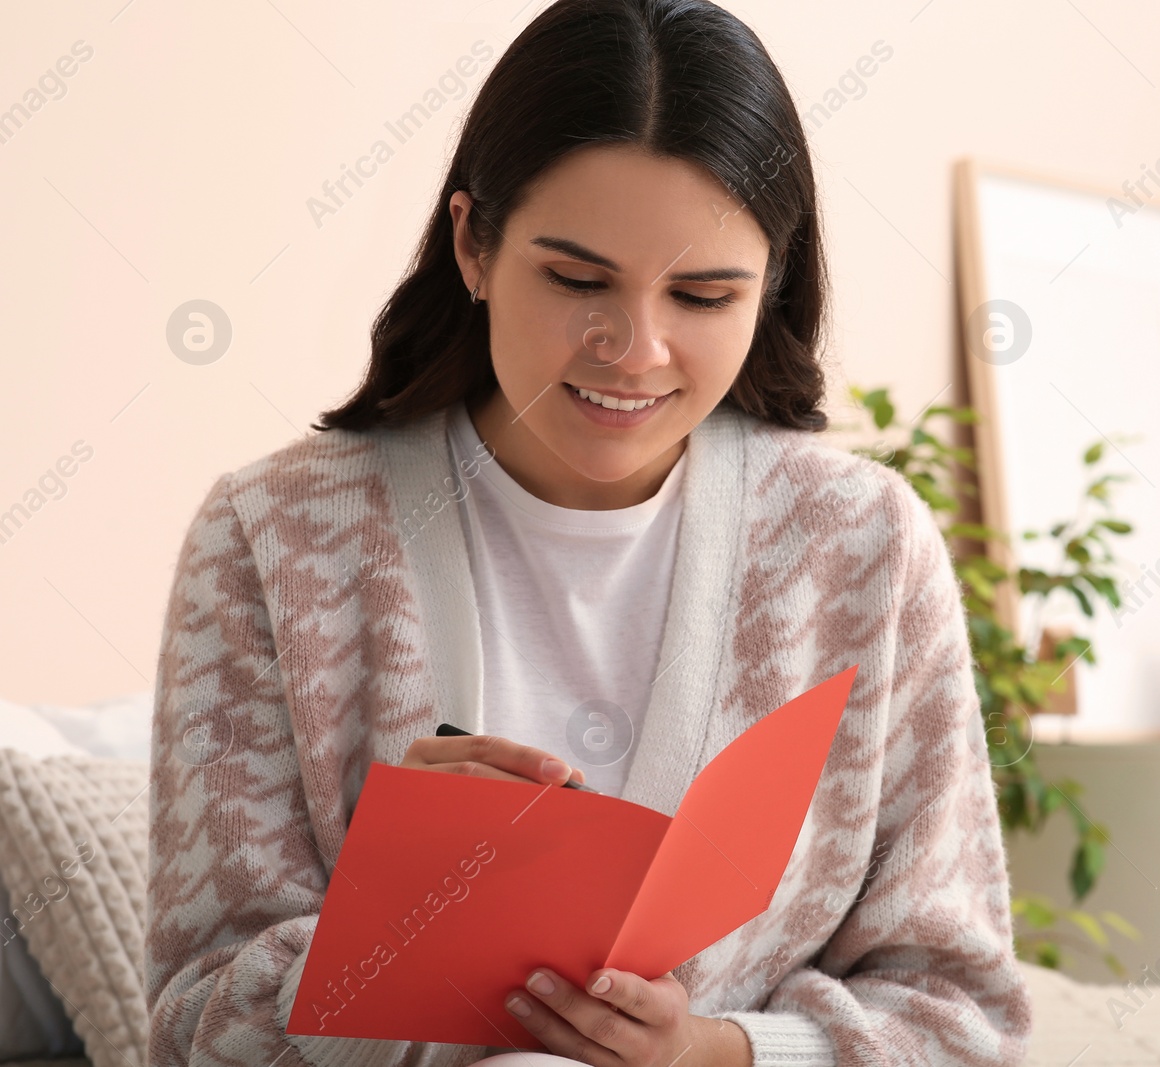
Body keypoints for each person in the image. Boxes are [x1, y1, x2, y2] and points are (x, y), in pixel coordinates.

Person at [143, 1, 1031, 1065]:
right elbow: (194, 1026)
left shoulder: (864, 545)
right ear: (474, 243)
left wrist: (717, 1049)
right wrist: (394, 924)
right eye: (576, 280)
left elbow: (965, 1017)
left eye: (703, 294)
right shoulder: (273, 536)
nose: (636, 350)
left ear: (771, 287)